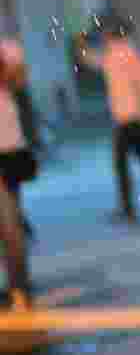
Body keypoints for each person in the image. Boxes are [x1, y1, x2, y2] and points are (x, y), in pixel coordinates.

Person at [77, 16, 140, 225]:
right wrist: (81, 47)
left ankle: (138, 206)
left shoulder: (125, 53)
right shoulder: (116, 53)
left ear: (113, 34)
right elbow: (92, 60)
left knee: (132, 162)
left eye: (106, 31)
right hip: (128, 118)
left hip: (130, 118)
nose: (103, 35)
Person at [0, 44, 35, 311]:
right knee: (10, 225)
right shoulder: (11, 90)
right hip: (12, 157)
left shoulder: (10, 88)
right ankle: (18, 287)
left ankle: (19, 289)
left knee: (10, 228)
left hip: (8, 159)